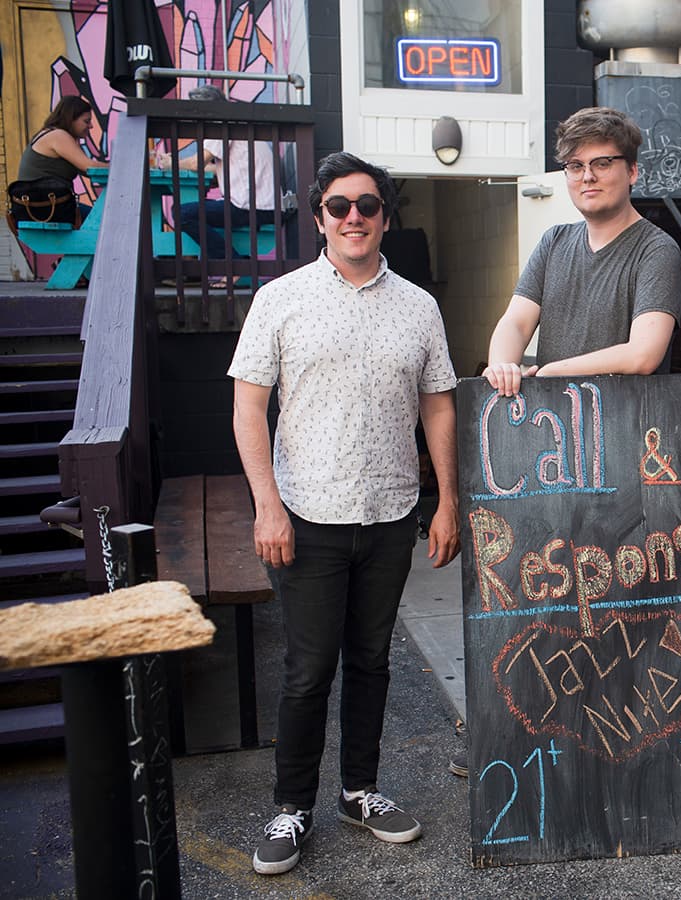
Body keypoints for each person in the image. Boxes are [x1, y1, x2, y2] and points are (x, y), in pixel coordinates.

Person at [229, 151, 459, 876]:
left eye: (367, 205)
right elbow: (247, 407)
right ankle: (292, 806)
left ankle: (360, 791)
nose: (353, 217)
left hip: (390, 516)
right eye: (339, 206)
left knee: (370, 662)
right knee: (307, 671)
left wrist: (448, 500)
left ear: (386, 215)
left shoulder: (419, 307)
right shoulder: (281, 299)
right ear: (319, 216)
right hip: (307, 516)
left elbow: (438, 404)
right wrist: (267, 505)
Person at [483, 106, 681, 396]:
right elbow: (515, 323)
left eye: (602, 163)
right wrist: (501, 366)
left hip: (623, 431)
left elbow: (644, 354)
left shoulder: (656, 250)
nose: (587, 176)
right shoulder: (554, 242)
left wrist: (552, 373)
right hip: (555, 428)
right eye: (575, 166)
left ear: (632, 171)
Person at [159, 84, 276, 274]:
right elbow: (219, 167)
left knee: (183, 213)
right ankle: (234, 261)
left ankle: (234, 265)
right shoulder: (236, 122)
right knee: (193, 211)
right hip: (264, 204)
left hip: (252, 206)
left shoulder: (220, 124)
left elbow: (198, 163)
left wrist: (171, 163)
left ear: (207, 110)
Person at [11, 96, 99, 222]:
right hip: (45, 207)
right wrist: (120, 166)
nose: (90, 126)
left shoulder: (53, 134)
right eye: (86, 121)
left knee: (98, 218)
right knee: (102, 221)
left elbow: (87, 171)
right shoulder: (58, 136)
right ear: (71, 119)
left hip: (41, 205)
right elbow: (89, 167)